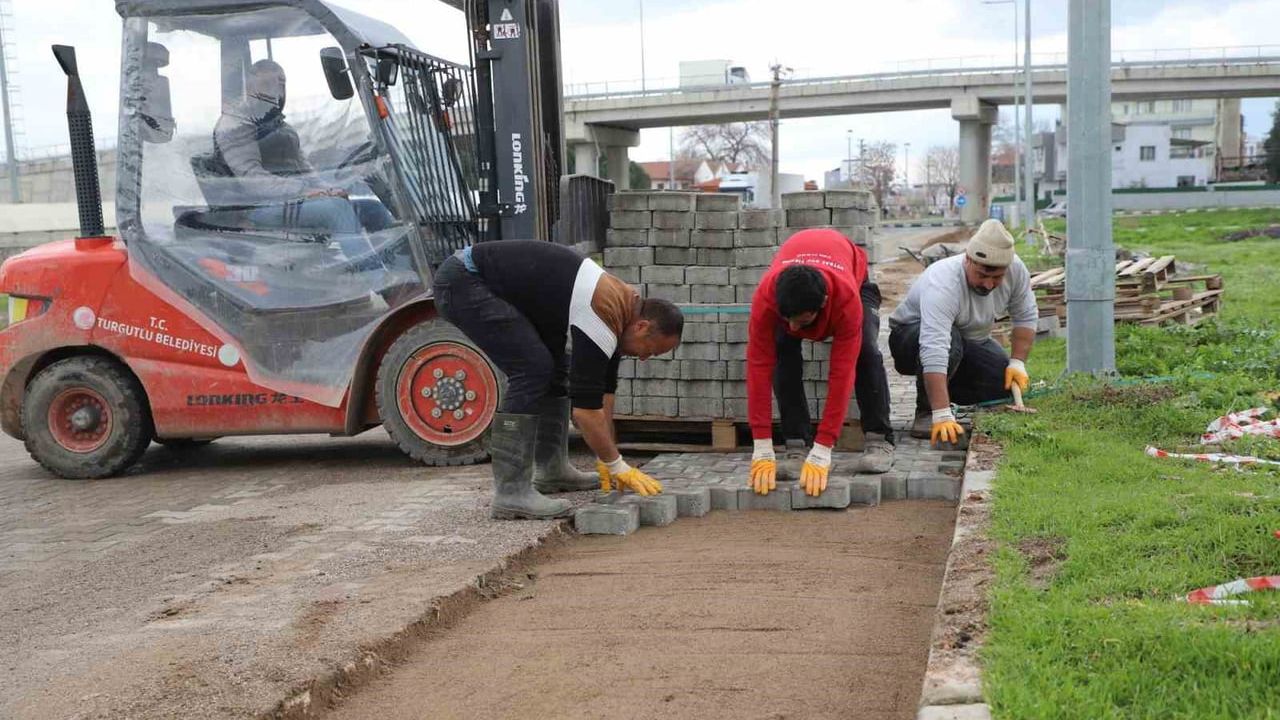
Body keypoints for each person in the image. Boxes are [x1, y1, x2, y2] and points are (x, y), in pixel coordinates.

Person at [433, 240, 683, 520]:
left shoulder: (622, 312)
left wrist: (605, 455)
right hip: (465, 282)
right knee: (532, 368)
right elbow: (586, 412)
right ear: (642, 326)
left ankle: (552, 471)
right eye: (650, 350)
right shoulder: (603, 312)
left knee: (554, 368)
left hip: (489, 284)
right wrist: (617, 465)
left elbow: (603, 394)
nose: (646, 358)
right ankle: (511, 492)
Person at [745, 228, 879, 498]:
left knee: (865, 351)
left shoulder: (845, 299)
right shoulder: (766, 295)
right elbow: (758, 368)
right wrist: (761, 445)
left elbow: (841, 375)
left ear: (823, 304)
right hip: (798, 268)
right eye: (788, 319)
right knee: (783, 347)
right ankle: (796, 443)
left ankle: (879, 438)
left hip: (853, 275)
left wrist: (824, 449)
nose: (794, 327)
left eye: (802, 321)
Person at [212, 59, 392, 256]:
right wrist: (306, 192)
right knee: (336, 210)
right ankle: (371, 275)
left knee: (373, 209)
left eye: (281, 84)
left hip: (292, 200)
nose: (276, 91)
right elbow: (253, 181)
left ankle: (403, 275)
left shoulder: (280, 126)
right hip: (257, 208)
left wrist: (327, 189)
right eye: (267, 84)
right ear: (248, 87)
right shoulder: (236, 125)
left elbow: (304, 168)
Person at [887, 219, 1038, 447]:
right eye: (982, 275)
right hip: (910, 339)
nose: (988, 285)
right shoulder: (943, 282)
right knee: (950, 341)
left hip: (968, 341)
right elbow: (934, 348)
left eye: (996, 278)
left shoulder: (1016, 270)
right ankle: (926, 412)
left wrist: (1017, 363)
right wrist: (940, 413)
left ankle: (946, 390)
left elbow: (1025, 316)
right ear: (968, 260)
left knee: (1000, 383)